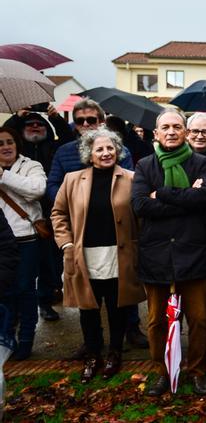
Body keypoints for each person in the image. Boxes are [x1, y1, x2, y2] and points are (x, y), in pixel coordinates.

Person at [50, 127, 145, 382]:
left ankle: (114, 352)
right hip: (84, 256)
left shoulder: (132, 178)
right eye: (99, 149)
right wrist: (66, 244)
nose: (105, 153)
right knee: (88, 309)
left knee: (118, 307)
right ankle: (93, 355)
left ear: (117, 151)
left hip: (119, 255)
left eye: (110, 148)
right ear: (89, 154)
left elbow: (143, 215)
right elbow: (57, 213)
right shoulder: (72, 179)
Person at [131, 109, 206, 396]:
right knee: (157, 322)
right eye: (164, 127)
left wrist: (162, 194)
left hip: (193, 253)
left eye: (176, 127)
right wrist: (184, 198)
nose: (170, 132)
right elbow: (141, 205)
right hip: (156, 255)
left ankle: (198, 370)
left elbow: (203, 198)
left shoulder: (201, 163)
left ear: (185, 133)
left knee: (201, 319)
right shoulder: (144, 166)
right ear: (155, 133)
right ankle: (162, 371)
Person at [4, 106, 75, 322]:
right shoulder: (18, 148)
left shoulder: (54, 147)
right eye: (30, 124)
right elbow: (4, 136)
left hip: (51, 211)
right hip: (22, 216)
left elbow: (68, 137)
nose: (35, 126)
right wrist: (16, 117)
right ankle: (16, 308)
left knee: (51, 261)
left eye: (40, 124)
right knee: (19, 270)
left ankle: (46, 301)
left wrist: (55, 118)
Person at [0, 127, 48, 361]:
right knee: (4, 293)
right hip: (2, 243)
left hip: (26, 238)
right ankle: (7, 339)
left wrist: (3, 176)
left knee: (24, 289)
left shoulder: (31, 166)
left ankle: (27, 339)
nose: (6, 146)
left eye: (10, 141)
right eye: (0, 143)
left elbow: (37, 190)